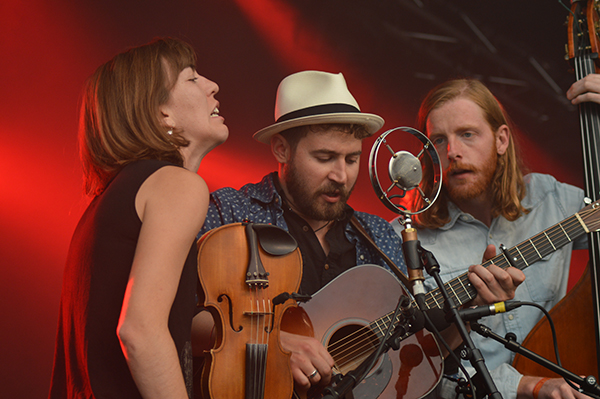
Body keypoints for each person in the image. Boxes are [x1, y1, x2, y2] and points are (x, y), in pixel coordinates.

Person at [195, 70, 520, 397]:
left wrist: (467, 309)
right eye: (325, 157)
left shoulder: (377, 235)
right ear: (281, 149)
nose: (341, 175)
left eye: (352, 159)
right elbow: (177, 320)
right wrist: (273, 343)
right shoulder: (231, 213)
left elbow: (417, 356)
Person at [48, 37, 228, 399]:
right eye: (191, 79)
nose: (213, 86)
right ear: (163, 113)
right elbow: (140, 330)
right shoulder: (178, 185)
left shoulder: (108, 201)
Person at [393, 78, 588, 399]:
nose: (453, 152)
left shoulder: (552, 198)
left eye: (467, 134)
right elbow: (412, 371)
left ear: (501, 139)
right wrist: (526, 386)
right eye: (438, 140)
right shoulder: (406, 240)